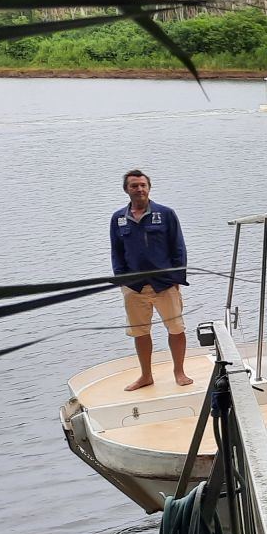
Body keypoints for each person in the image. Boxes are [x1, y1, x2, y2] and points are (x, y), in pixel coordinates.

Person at [111, 168, 191, 391]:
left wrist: (177, 279)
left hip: (165, 284)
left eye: (142, 185)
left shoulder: (165, 214)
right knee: (140, 332)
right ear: (126, 190)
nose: (139, 189)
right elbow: (116, 252)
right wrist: (123, 280)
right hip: (134, 287)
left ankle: (179, 372)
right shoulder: (118, 219)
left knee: (176, 328)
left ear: (149, 188)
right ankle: (146, 376)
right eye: (134, 186)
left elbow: (178, 248)